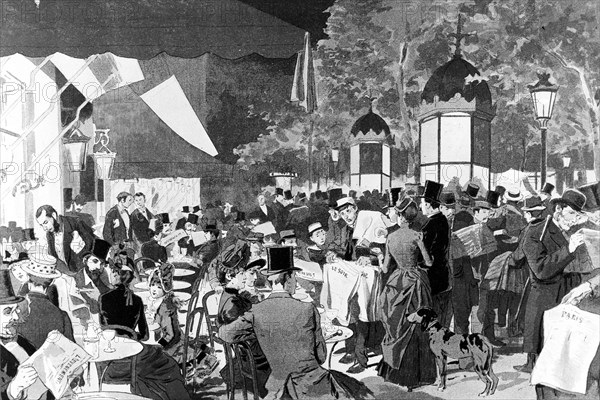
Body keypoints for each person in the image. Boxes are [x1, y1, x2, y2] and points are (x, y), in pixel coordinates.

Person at [242, 246, 373, 399]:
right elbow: (321, 356)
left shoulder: (256, 310)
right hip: (311, 385)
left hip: (276, 384)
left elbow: (226, 333)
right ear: (289, 277)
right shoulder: (307, 308)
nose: (295, 280)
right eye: (294, 276)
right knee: (357, 392)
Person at [514, 189, 587, 373]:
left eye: (577, 215)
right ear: (558, 209)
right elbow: (541, 270)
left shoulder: (570, 231)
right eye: (571, 213)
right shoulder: (536, 232)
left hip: (566, 290)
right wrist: (569, 249)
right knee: (540, 337)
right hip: (545, 293)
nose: (573, 219)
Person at [99, 260, 191, 400]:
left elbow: (103, 329)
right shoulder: (136, 300)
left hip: (109, 362)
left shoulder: (103, 298)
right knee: (162, 363)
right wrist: (131, 336)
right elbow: (144, 335)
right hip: (134, 357)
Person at [377, 205, 437, 390]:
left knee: (397, 324)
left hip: (397, 283)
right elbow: (428, 262)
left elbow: (386, 268)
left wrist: (379, 257)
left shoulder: (391, 237)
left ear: (401, 217)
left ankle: (394, 371)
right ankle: (418, 376)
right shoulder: (416, 235)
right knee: (417, 328)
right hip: (416, 283)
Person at [216, 241, 270, 398]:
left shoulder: (232, 295)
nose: (251, 277)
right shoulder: (231, 304)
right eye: (246, 273)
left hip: (249, 351)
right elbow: (247, 331)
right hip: (254, 358)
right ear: (230, 276)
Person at [16, 252, 75, 349]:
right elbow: (71, 348)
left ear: (29, 282)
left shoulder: (16, 312)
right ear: (50, 284)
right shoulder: (61, 315)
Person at [0, 269, 42, 400]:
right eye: (8, 312)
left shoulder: (19, 340)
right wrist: (14, 388)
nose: (15, 317)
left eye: (15, 310)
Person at [418, 180, 451, 327]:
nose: (420, 207)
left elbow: (426, 254)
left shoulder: (431, 224)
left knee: (432, 318)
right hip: (443, 276)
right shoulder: (443, 220)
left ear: (429, 205)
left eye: (423, 204)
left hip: (432, 278)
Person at [35, 204, 95, 274]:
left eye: (45, 222)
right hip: (65, 275)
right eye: (42, 225)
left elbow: (92, 244)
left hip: (83, 273)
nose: (44, 228)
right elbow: (53, 258)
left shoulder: (75, 223)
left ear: (53, 215)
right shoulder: (49, 234)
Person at [73, 238, 113, 326]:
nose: (98, 267)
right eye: (95, 261)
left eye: (102, 264)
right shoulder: (77, 280)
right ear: (85, 261)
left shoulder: (103, 274)